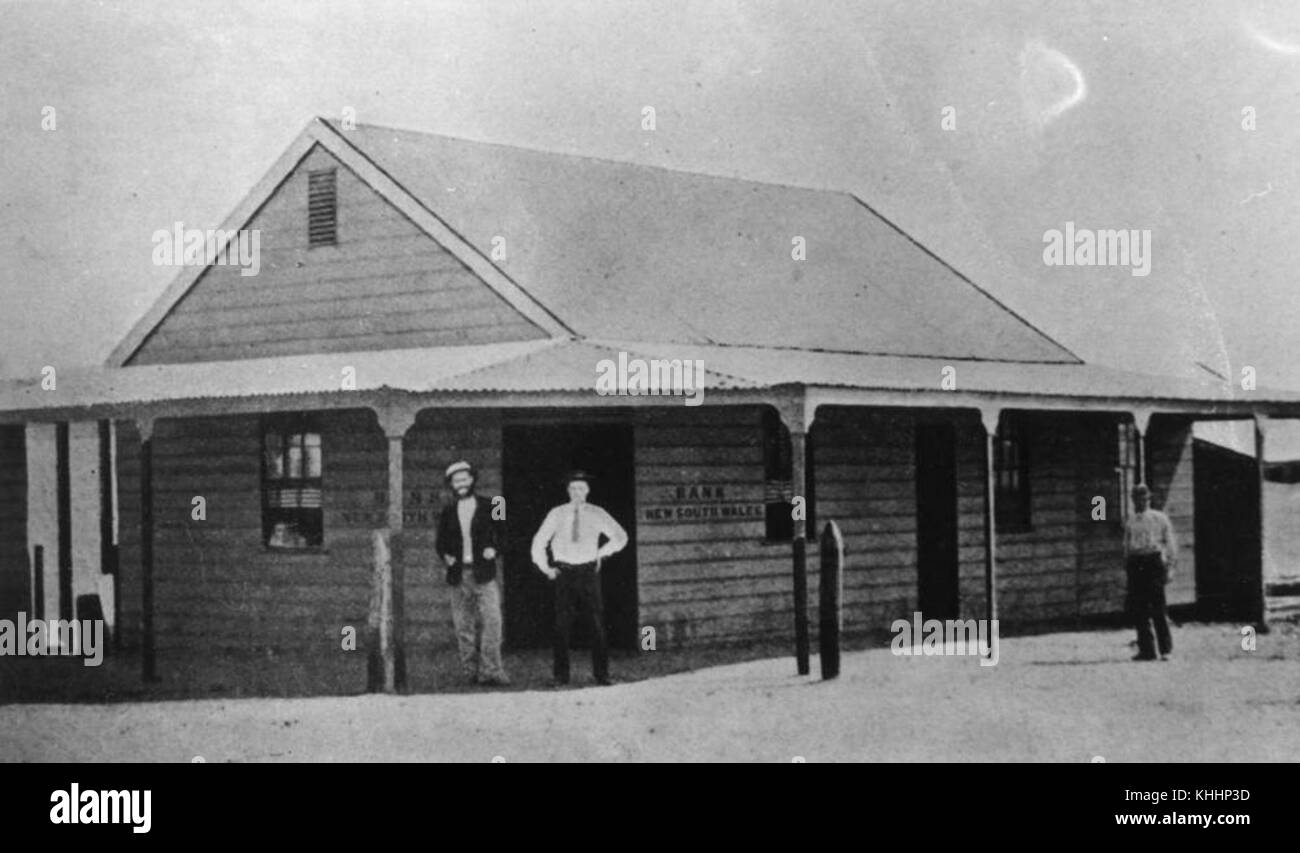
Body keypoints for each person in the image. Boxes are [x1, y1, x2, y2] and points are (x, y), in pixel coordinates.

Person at [530, 470, 629, 686]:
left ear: (588, 491)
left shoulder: (597, 513)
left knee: (596, 624)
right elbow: (539, 541)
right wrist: (546, 567)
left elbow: (621, 537)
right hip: (564, 573)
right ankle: (560, 677)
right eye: (573, 488)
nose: (577, 492)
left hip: (587, 573)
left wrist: (601, 553)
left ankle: (602, 675)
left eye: (581, 488)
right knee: (561, 626)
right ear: (567, 491)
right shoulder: (556, 513)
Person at [436, 460, 509, 686]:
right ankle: (470, 672)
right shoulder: (447, 511)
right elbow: (440, 544)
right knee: (463, 626)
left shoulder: (495, 504)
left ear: (472, 480)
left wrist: (494, 550)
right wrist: (446, 556)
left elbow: (506, 535)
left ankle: (491, 671)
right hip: (459, 576)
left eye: (464, 479)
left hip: (484, 574)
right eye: (456, 481)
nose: (461, 484)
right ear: (451, 485)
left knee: (493, 621)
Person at [1123, 483, 1177, 661]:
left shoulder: (1159, 518)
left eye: (1144, 498)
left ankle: (1165, 649)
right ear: (1132, 500)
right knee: (1139, 609)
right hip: (1136, 562)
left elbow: (1170, 544)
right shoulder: (1130, 520)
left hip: (1153, 562)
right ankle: (1147, 650)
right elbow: (1127, 545)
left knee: (1158, 608)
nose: (1140, 502)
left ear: (1149, 499)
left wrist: (1169, 566)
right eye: (1137, 498)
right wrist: (1127, 565)